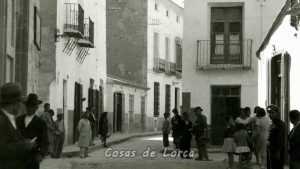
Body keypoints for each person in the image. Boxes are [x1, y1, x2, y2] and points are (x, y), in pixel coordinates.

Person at [0, 83, 37, 169]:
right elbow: (2, 148)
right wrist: (25, 145)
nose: (21, 106)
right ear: (14, 103)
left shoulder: (11, 118)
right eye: (20, 102)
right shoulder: (1, 120)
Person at [16, 93, 48, 169]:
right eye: (28, 106)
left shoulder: (41, 123)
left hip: (33, 157)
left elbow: (45, 141)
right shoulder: (18, 120)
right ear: (26, 106)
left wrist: (41, 154)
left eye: (33, 106)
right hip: (19, 156)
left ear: (36, 107)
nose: (30, 108)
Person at [266, 105, 285, 169]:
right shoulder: (273, 123)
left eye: (272, 112)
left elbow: (280, 138)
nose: (270, 115)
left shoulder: (280, 124)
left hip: (277, 150)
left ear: (277, 113)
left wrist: (278, 151)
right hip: (271, 149)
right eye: (269, 113)